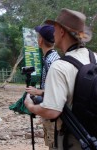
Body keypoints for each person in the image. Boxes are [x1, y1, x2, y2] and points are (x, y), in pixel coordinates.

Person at [24, 8, 95, 150]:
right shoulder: (95, 57)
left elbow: (52, 111)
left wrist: (30, 106)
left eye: (55, 29)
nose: (53, 33)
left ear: (62, 32)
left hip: (73, 139)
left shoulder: (60, 66)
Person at [26, 25, 60, 149]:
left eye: (38, 37)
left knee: (54, 144)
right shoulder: (50, 57)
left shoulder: (52, 62)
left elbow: (57, 91)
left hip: (54, 114)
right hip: (50, 111)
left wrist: (38, 92)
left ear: (40, 40)